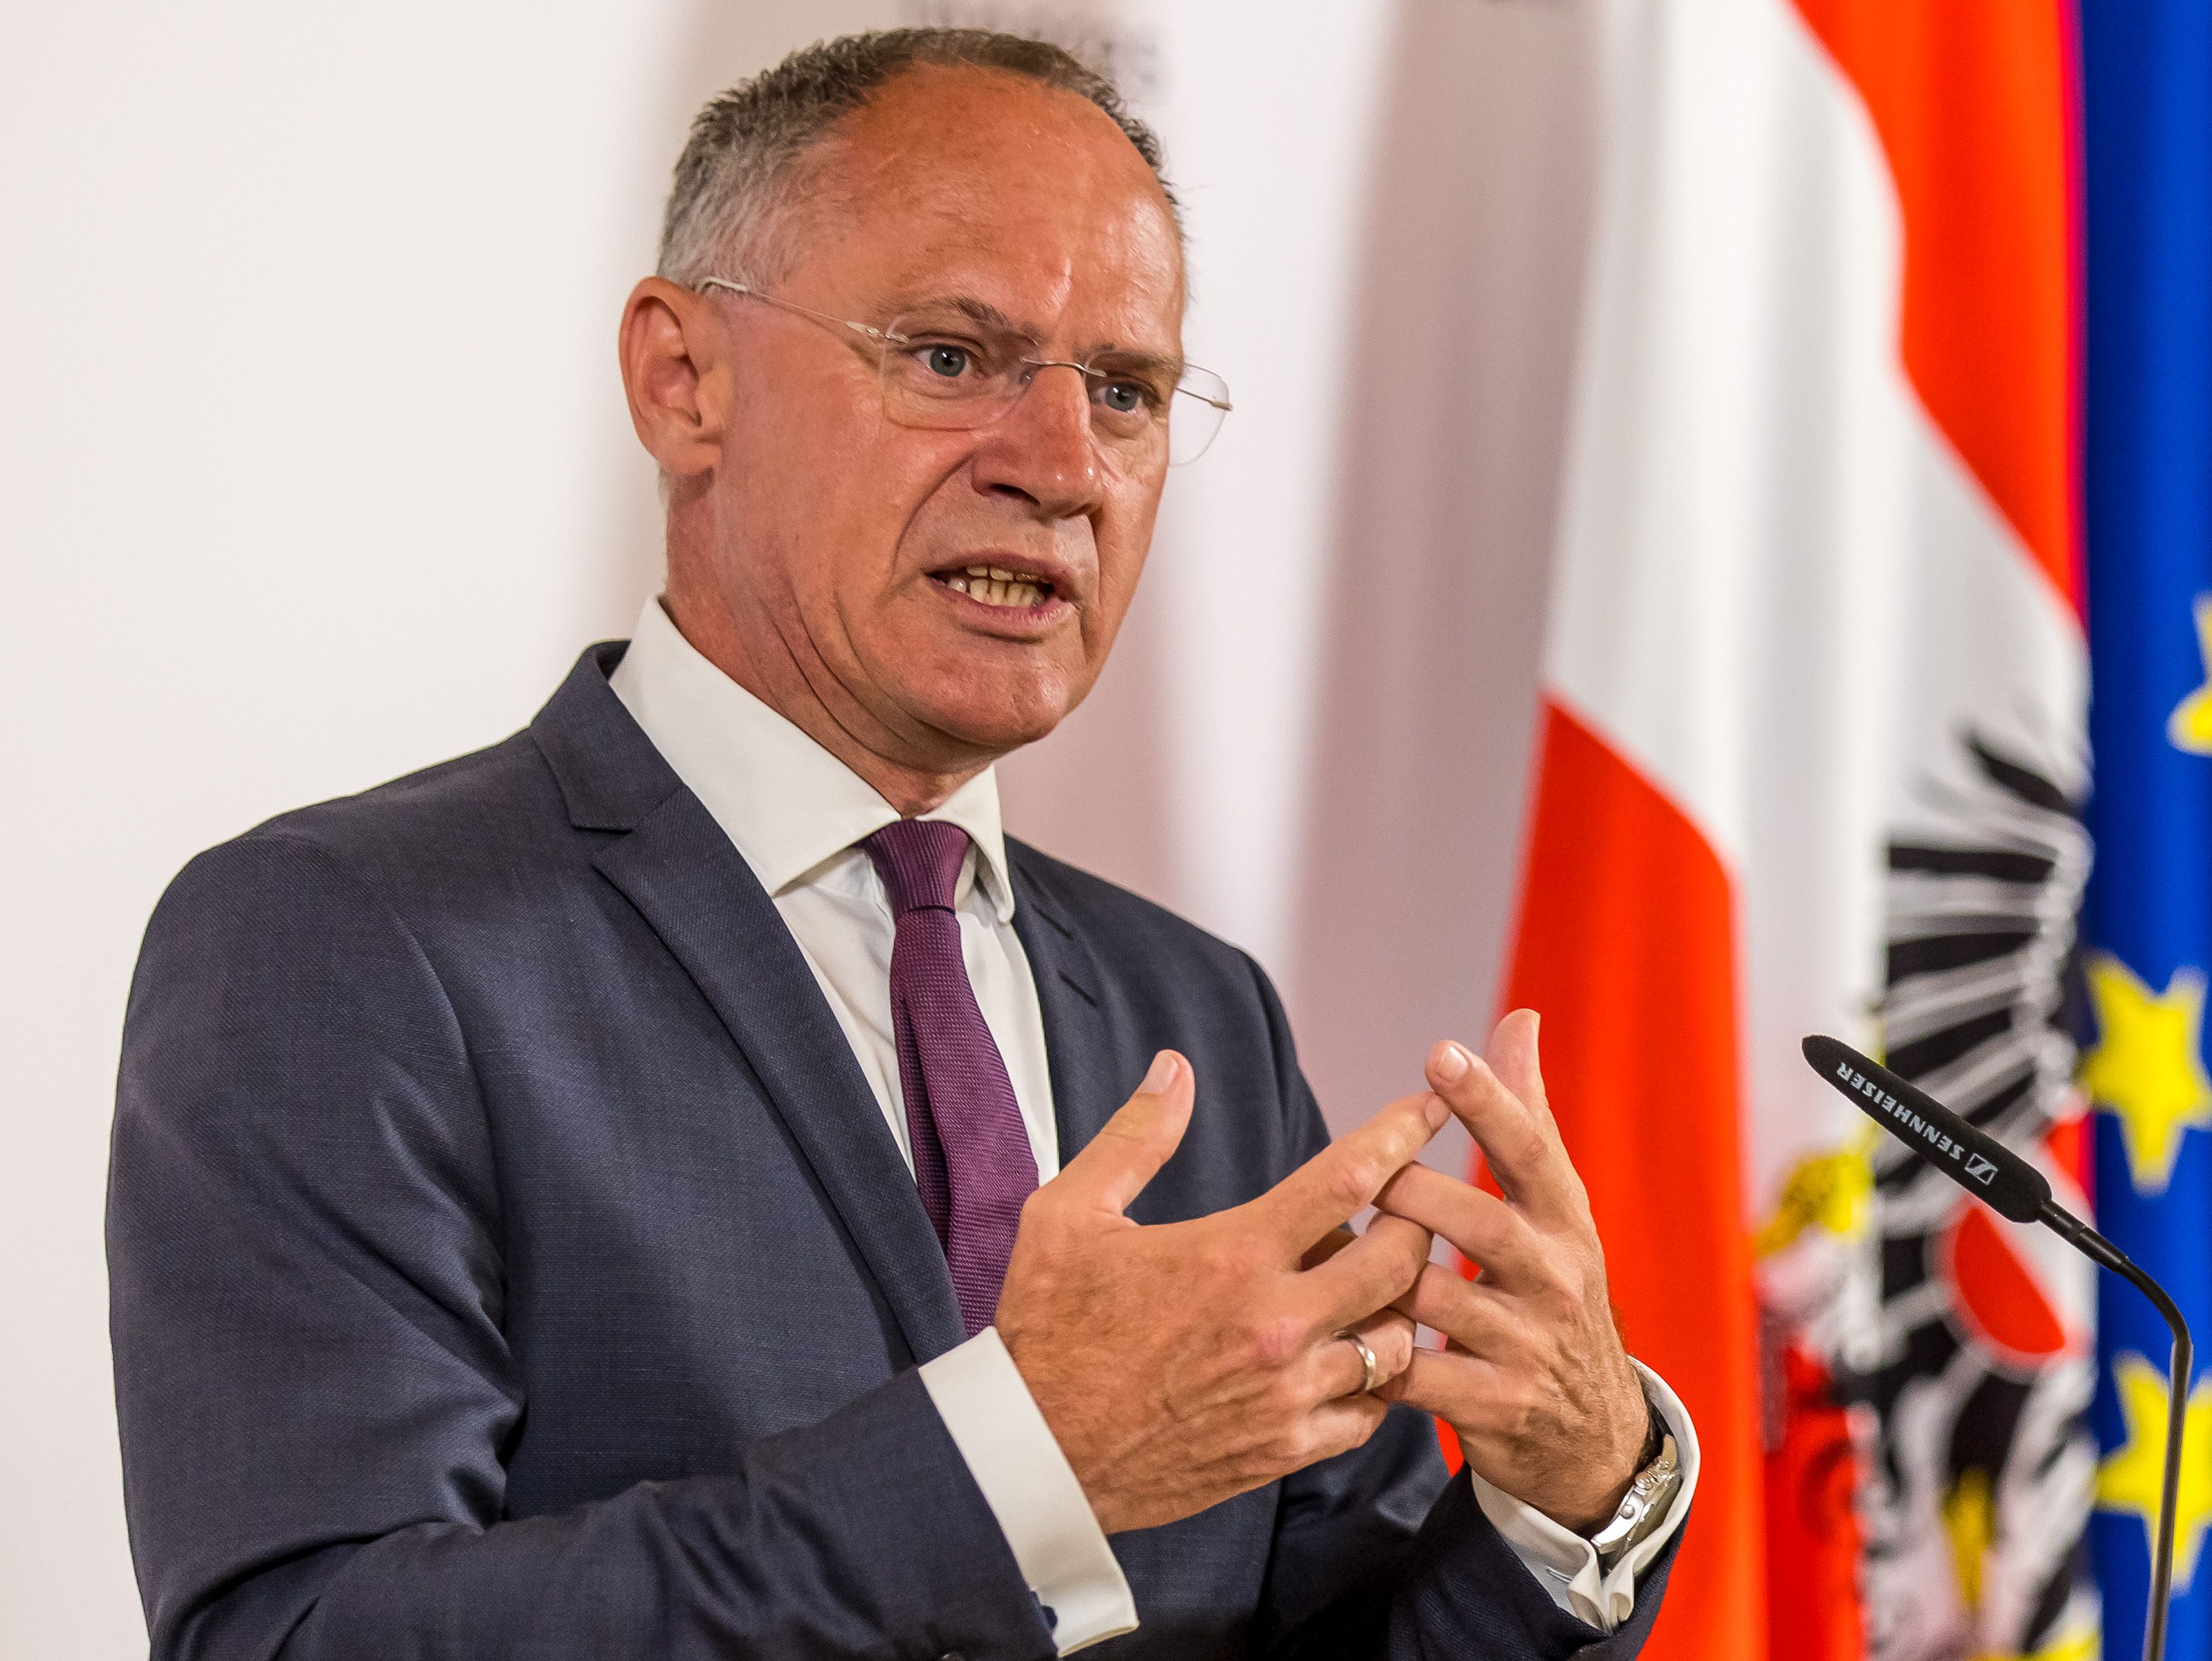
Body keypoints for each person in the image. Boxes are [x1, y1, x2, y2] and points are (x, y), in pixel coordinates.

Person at [107, 29, 1696, 1660]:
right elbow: (306, 1635)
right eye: (949, 357)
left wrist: (1572, 1490)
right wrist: (1018, 1466)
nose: (1065, 466)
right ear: (682, 381)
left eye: (1129, 393)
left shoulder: (1190, 1007)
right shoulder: (344, 943)